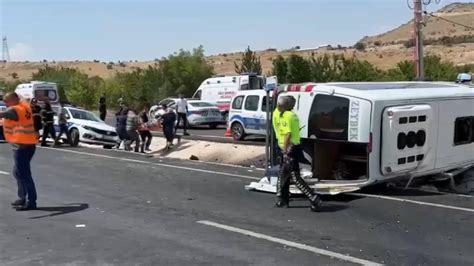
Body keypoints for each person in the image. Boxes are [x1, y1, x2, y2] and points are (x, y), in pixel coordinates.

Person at [272, 96, 322, 212]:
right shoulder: (289, 115)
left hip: (288, 148)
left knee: (286, 175)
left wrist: (284, 149)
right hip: (291, 147)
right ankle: (285, 200)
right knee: (291, 175)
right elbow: (286, 133)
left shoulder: (281, 114)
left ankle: (284, 199)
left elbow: (286, 133)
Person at [0, 93, 38, 211]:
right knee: (18, 172)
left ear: (13, 100)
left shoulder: (14, 110)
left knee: (24, 174)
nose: (5, 104)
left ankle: (31, 202)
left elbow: (4, 114)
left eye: (7, 101)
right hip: (29, 144)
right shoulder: (24, 107)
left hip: (22, 147)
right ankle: (22, 197)